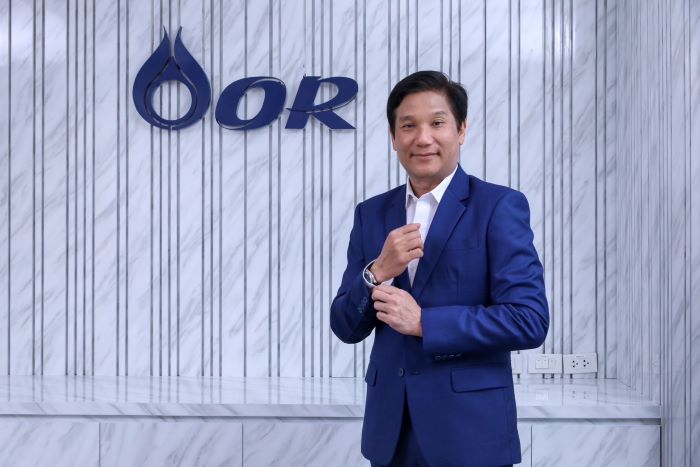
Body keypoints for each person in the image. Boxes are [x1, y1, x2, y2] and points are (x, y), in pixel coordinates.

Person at [330, 71, 549, 467]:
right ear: (393, 136)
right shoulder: (371, 214)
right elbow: (345, 326)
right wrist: (377, 271)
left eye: (437, 122)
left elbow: (529, 320)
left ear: (461, 130)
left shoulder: (498, 206)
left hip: (470, 435)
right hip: (391, 435)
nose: (423, 138)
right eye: (408, 126)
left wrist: (424, 323)